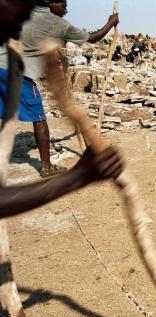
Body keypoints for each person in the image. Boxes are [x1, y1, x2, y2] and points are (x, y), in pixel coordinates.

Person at [0, 0, 124, 219]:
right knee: (39, 117)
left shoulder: (29, 14)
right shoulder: (52, 21)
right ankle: (46, 166)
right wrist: (110, 22)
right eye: (62, 4)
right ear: (50, 2)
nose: (66, 9)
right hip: (18, 73)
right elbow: (92, 38)